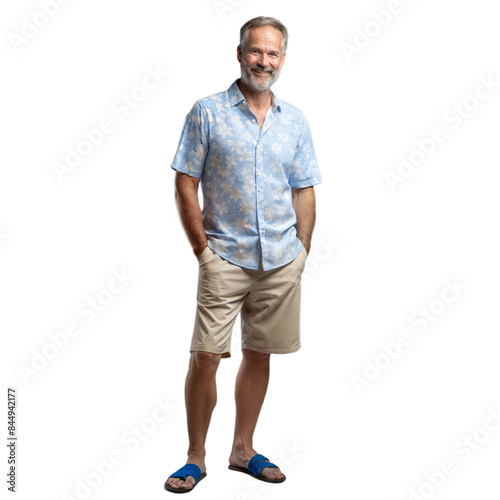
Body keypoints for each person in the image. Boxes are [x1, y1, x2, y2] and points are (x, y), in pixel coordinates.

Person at [164, 15, 322, 493]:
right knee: (206, 356)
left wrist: (302, 251)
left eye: (273, 53)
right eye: (256, 51)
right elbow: (185, 181)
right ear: (239, 53)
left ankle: (243, 449)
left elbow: (305, 187)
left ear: (283, 59)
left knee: (259, 354)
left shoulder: (293, 120)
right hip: (224, 256)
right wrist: (202, 250)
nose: (263, 61)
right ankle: (195, 456)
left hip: (280, 260)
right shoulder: (207, 112)